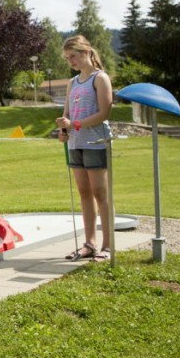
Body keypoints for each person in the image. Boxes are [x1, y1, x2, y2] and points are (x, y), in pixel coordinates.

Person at [56, 35, 114, 263]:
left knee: (100, 193)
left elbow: (104, 113)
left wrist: (75, 125)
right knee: (84, 193)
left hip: (96, 141)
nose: (70, 60)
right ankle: (89, 244)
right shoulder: (73, 82)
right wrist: (64, 130)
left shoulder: (100, 78)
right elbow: (67, 115)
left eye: (73, 55)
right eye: (67, 57)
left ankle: (107, 246)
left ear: (86, 52)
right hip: (75, 143)